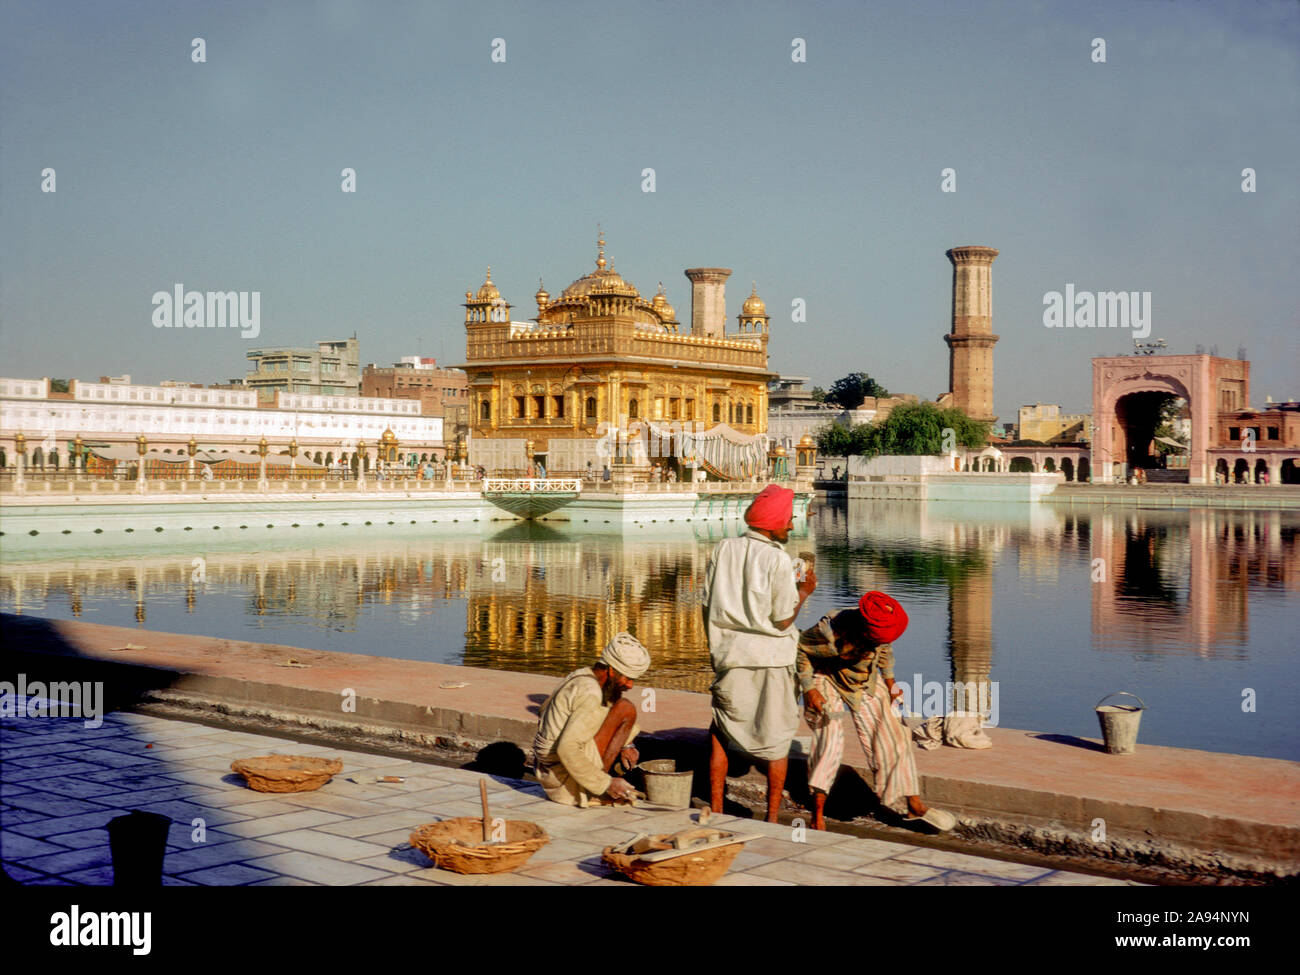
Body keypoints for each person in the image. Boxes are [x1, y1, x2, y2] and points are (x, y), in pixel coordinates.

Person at [702, 483, 816, 821]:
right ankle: (771, 817)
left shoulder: (723, 549)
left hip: (730, 654)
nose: (791, 527)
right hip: (772, 658)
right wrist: (805, 592)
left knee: (722, 730)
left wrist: (715, 644)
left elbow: (706, 605)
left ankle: (718, 807)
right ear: (770, 524)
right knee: (777, 737)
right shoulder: (778, 561)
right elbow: (782, 620)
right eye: (787, 521)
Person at [798, 591, 956, 832]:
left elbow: (885, 652)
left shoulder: (882, 629)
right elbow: (801, 651)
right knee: (829, 741)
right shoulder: (830, 630)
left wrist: (891, 683)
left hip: (863, 680)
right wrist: (809, 690)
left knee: (895, 734)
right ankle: (817, 812)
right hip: (825, 678)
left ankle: (914, 805)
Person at [532, 633, 650, 807]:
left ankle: (596, 783)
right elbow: (567, 747)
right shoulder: (590, 693)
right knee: (626, 709)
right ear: (610, 670)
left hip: (549, 771)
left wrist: (627, 744)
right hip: (562, 781)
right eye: (627, 678)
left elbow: (544, 710)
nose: (630, 685)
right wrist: (605, 784)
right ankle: (593, 792)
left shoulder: (582, 675)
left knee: (620, 706)